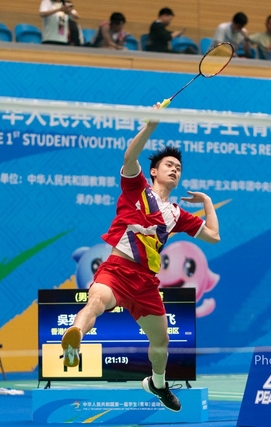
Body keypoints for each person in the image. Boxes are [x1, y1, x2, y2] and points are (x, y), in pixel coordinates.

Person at [60, 105, 221, 412]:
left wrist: (208, 201)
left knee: (161, 343)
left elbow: (213, 236)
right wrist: (149, 127)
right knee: (95, 301)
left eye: (179, 168)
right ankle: (75, 339)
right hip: (117, 270)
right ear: (154, 172)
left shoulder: (176, 214)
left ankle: (157, 384)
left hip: (145, 283)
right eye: (169, 165)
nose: (175, 169)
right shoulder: (137, 188)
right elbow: (129, 158)